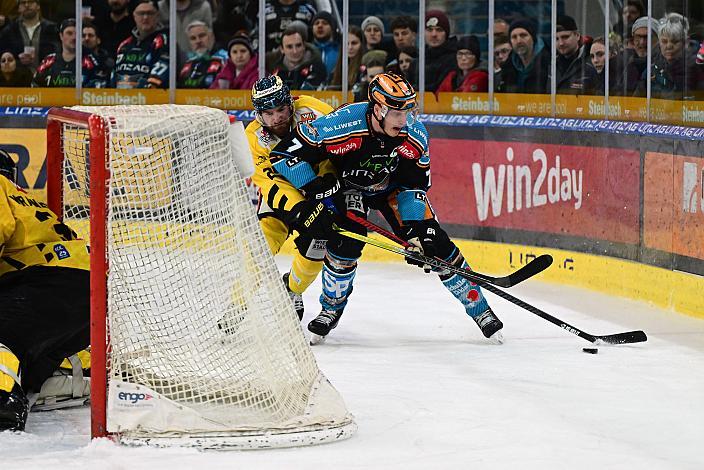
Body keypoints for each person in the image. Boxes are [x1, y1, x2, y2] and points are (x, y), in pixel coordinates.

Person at [268, 72, 504, 343]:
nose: (403, 121)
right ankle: (330, 310)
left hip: (392, 188)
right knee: (346, 242)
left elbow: (413, 186)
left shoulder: (414, 134)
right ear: (378, 109)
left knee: (434, 242)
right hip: (348, 187)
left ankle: (480, 309)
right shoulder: (341, 124)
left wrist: (416, 228)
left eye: (407, 111)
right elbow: (283, 155)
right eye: (396, 113)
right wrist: (313, 187)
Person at [0, 150, 90, 432]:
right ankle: (68, 375)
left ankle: (3, 401)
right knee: (23, 345)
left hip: (49, 282)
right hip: (86, 289)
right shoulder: (25, 200)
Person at [244, 75, 334, 319]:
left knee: (316, 250)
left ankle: (292, 289)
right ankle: (236, 304)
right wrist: (299, 208)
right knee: (260, 248)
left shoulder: (313, 110)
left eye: (281, 109)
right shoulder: (254, 137)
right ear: (259, 114)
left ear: (290, 103)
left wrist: (327, 180)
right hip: (283, 198)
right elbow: (267, 181)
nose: (277, 118)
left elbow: (335, 147)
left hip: (321, 192)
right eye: (269, 113)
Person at [32, 19, 110, 88]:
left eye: (77, 34)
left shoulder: (92, 62)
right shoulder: (48, 61)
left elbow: (98, 91)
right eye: (69, 33)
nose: (74, 37)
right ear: (61, 36)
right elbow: (35, 86)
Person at [111, 0, 169, 88]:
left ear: (157, 16)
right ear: (134, 16)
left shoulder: (165, 40)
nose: (145, 17)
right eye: (141, 13)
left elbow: (163, 69)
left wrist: (147, 90)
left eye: (150, 13)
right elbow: (115, 72)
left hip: (149, 97)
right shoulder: (124, 44)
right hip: (120, 97)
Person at [0, 0, 58, 74]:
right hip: (18, 79)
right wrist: (16, 61)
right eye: (23, 3)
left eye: (30, 1)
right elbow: (3, 53)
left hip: (48, 78)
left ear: (38, 6)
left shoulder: (52, 29)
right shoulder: (9, 31)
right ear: (18, 8)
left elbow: (58, 54)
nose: (27, 5)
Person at [496, 18, 550, 94]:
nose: (519, 41)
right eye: (514, 37)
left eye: (523, 35)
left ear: (533, 38)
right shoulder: (508, 66)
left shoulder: (549, 63)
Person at [554, 15, 597, 95]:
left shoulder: (592, 63)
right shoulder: (550, 65)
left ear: (577, 36)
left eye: (565, 37)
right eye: (556, 39)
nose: (561, 43)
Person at [177, 20, 226, 88]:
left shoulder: (225, 58)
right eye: (193, 38)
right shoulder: (187, 63)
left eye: (202, 36)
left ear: (212, 36)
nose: (198, 41)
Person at [424, 10, 457, 92]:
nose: (434, 34)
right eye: (429, 30)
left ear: (446, 33)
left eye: (439, 30)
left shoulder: (454, 59)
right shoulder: (418, 59)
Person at [329, 25, 365, 90]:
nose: (350, 47)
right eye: (346, 43)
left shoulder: (364, 70)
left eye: (354, 43)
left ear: (362, 44)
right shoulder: (336, 70)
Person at [310, 10, 339, 80]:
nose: (320, 26)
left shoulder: (341, 50)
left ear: (332, 28)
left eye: (325, 23)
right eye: (316, 23)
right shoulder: (306, 50)